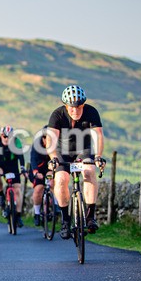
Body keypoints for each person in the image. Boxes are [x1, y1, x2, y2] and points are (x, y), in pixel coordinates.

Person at [46, 85, 105, 239]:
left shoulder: (91, 112)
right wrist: (53, 158)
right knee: (61, 179)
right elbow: (51, 141)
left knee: (89, 171)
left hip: (83, 149)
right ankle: (65, 221)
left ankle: (90, 217)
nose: (75, 110)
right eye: (72, 107)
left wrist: (98, 156)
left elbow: (98, 136)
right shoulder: (57, 114)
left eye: (79, 106)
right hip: (62, 152)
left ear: (83, 105)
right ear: (66, 106)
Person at [0, 125, 27, 228]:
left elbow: (20, 156)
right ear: (1, 135)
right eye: (4, 136)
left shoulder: (16, 142)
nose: (6, 139)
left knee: (17, 189)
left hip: (13, 165)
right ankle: (1, 195)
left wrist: (23, 168)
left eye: (9, 137)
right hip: (1, 165)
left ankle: (18, 215)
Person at [30, 125, 53, 226]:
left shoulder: (55, 145)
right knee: (39, 189)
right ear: (43, 138)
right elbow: (33, 159)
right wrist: (35, 172)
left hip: (49, 168)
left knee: (53, 184)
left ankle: (56, 207)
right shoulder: (37, 145)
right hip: (38, 169)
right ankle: (37, 213)